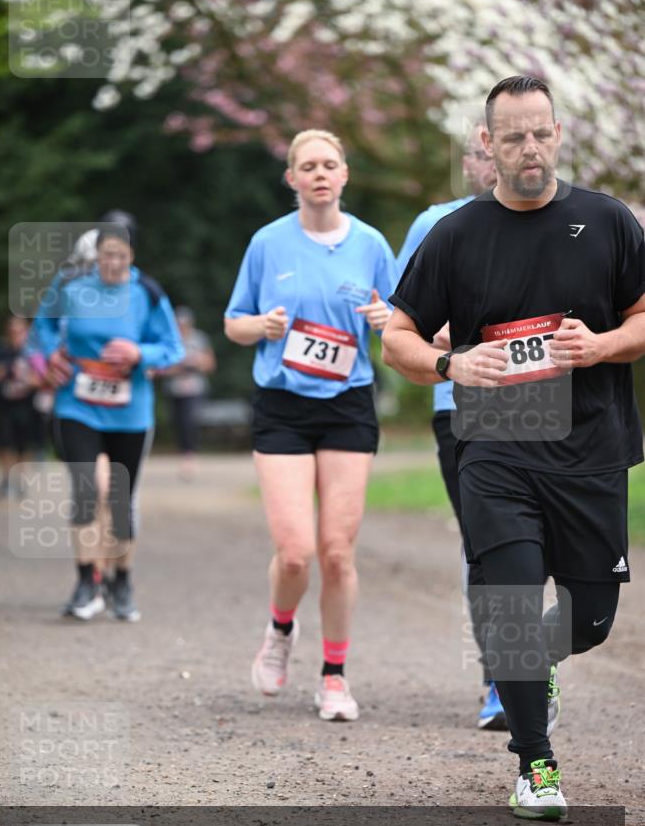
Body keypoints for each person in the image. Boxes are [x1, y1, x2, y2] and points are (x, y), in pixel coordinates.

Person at [383, 76, 645, 818]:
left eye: (539, 133)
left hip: (589, 445)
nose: (528, 148)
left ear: (557, 134)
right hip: (495, 444)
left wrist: (600, 346)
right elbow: (396, 336)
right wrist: (450, 364)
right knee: (508, 605)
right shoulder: (456, 235)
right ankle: (536, 763)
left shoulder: (606, 222)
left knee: (590, 617)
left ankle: (537, 664)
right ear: (486, 145)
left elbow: (642, 317)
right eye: (512, 136)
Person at [225, 129, 398, 721]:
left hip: (348, 403)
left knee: (336, 553)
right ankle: (279, 631)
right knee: (295, 553)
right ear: (292, 179)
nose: (320, 173)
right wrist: (262, 327)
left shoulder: (372, 244)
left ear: (344, 175)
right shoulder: (268, 243)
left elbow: (402, 324)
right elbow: (233, 323)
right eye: (308, 166)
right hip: (283, 406)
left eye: (329, 164)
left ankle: (334, 677)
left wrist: (385, 317)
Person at [397, 124, 504, 730]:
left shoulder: (558, 219)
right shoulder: (435, 223)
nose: (491, 161)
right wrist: (437, 338)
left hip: (544, 408)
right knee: (487, 547)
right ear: (466, 162)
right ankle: (501, 679)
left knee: (557, 550)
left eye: (503, 148)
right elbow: (398, 317)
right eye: (481, 151)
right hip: (457, 411)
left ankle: (529, 658)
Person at [32, 221, 184, 621]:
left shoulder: (146, 293)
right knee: (88, 489)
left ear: (132, 257)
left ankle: (122, 581)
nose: (113, 263)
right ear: (95, 256)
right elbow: (42, 328)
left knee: (119, 499)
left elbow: (172, 348)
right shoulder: (70, 286)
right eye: (106, 255)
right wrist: (51, 355)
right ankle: (86, 581)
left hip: (130, 412)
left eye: (121, 255)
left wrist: (139, 354)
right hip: (77, 406)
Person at [159, 306, 216, 479]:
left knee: (190, 421)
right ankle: (183, 454)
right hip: (175, 389)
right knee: (178, 423)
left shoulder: (199, 339)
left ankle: (190, 456)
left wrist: (196, 363)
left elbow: (210, 364)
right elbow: (160, 367)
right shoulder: (169, 339)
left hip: (194, 388)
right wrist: (178, 367)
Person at [0, 315, 42, 497]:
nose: (16, 334)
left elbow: (41, 379)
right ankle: (6, 478)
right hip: (5, 404)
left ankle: (20, 480)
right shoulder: (2, 350)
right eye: (12, 331)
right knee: (4, 441)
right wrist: (3, 371)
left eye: (19, 331)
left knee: (23, 444)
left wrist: (26, 380)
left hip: (26, 405)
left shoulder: (33, 353)